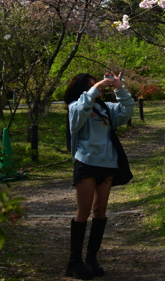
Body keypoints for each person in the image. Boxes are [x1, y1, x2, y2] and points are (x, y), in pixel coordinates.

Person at [63, 72, 134, 279]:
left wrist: (119, 88)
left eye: (99, 86)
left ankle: (91, 258)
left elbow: (127, 110)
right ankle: (74, 262)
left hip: (107, 164)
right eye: (94, 86)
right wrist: (93, 91)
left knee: (100, 211)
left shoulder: (105, 109)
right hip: (86, 163)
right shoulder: (76, 108)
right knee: (83, 211)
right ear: (83, 91)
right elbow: (78, 115)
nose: (98, 89)